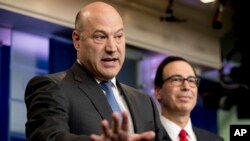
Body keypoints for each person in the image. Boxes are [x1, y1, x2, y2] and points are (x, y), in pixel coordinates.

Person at [24, 2, 169, 141]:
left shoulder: (144, 102)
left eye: (118, 36)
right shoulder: (52, 87)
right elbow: (49, 137)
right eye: (100, 37)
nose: (112, 47)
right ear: (77, 40)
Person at [154, 56, 224, 141]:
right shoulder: (145, 137)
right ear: (158, 92)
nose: (186, 87)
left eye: (191, 80)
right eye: (176, 79)